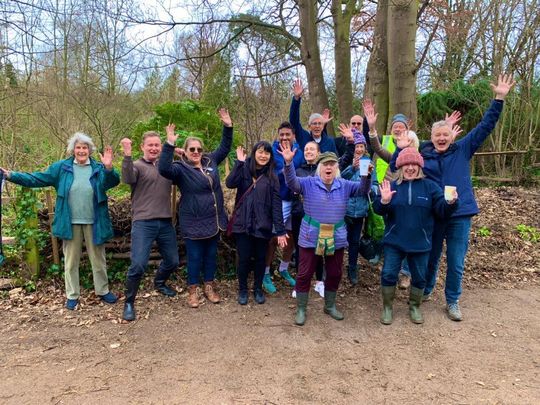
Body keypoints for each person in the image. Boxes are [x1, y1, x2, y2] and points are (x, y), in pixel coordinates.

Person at [391, 74, 515, 321]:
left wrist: (498, 98)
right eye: (437, 134)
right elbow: (399, 163)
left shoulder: (464, 149)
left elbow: (485, 126)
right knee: (432, 256)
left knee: (456, 261)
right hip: (435, 213)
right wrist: (402, 147)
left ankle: (452, 300)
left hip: (460, 213)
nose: (441, 138)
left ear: (452, 136)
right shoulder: (424, 153)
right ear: (432, 137)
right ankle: (425, 290)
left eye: (445, 134)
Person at [1, 133, 120, 310]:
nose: (81, 151)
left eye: (84, 147)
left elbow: (112, 182)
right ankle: (72, 295)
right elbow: (36, 178)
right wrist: (11, 175)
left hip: (95, 222)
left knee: (98, 259)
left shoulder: (98, 167)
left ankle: (102, 291)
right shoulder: (61, 168)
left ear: (90, 150)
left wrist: (109, 168)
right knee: (71, 261)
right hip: (69, 221)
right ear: (73, 150)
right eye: (78, 147)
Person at [279, 145, 372, 326]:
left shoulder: (344, 185)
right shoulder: (308, 183)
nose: (328, 167)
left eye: (332, 164)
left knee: (335, 272)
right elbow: (291, 183)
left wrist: (366, 176)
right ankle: (301, 308)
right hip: (310, 236)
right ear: (320, 167)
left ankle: (329, 305)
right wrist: (288, 163)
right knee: (304, 273)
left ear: (337, 168)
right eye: (325, 164)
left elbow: (362, 190)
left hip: (336, 236)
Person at [158, 108, 233, 308]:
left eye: (199, 149)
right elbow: (163, 169)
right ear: (186, 150)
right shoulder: (180, 168)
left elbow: (225, 148)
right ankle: (193, 290)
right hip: (193, 221)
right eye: (192, 149)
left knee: (210, 256)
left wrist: (227, 126)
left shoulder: (210, 160)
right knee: (195, 257)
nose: (196, 153)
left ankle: (209, 286)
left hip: (213, 219)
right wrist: (169, 143)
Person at [374, 148, 458, 324]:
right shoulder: (393, 186)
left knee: (420, 277)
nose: (410, 168)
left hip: (421, 243)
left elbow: (442, 211)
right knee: (389, 274)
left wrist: (451, 203)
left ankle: (414, 307)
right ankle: (387, 308)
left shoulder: (430, 187)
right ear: (400, 167)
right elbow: (378, 209)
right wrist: (384, 201)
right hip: (394, 241)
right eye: (406, 164)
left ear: (419, 166)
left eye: (413, 164)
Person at [119, 131, 179, 321]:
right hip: (143, 222)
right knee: (138, 264)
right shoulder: (136, 166)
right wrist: (127, 155)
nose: (154, 148)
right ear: (142, 147)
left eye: (157, 145)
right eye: (150, 145)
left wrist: (181, 155)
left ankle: (159, 282)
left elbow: (186, 174)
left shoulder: (166, 168)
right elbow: (127, 178)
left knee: (173, 261)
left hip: (165, 221)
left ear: (161, 148)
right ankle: (129, 302)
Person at [225, 142, 287, 305]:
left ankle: (258, 289)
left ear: (270, 157)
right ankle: (243, 290)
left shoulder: (272, 177)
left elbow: (276, 204)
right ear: (254, 153)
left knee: (260, 259)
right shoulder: (244, 169)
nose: (263, 156)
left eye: (267, 153)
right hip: (242, 224)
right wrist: (239, 163)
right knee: (244, 258)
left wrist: (280, 230)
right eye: (260, 152)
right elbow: (230, 183)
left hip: (262, 225)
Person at [263, 122, 303, 294]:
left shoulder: (300, 151)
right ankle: (265, 273)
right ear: (278, 136)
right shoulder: (271, 152)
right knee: (273, 237)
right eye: (282, 135)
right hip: (279, 200)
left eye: (288, 134)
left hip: (296, 201)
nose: (285, 138)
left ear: (293, 135)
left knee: (292, 237)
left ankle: (284, 268)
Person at [340, 129, 378, 285]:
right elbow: (339, 180)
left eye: (362, 146)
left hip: (360, 210)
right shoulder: (346, 161)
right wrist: (352, 168)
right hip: (345, 210)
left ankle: (353, 267)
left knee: (355, 241)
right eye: (357, 146)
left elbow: (374, 185)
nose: (359, 149)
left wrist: (370, 186)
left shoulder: (369, 164)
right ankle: (336, 266)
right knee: (341, 239)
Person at [291, 141, 325, 297]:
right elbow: (293, 189)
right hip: (300, 215)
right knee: (300, 250)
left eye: (312, 149)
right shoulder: (298, 170)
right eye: (306, 149)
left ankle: (320, 282)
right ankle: (301, 283)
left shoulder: (323, 170)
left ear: (318, 152)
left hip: (320, 216)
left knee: (319, 248)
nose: (308, 151)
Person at [289, 79, 337, 154]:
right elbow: (294, 121)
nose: (317, 126)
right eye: (314, 123)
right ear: (309, 126)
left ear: (323, 126)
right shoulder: (304, 137)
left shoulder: (329, 141)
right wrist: (296, 99)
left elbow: (335, 160)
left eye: (319, 123)